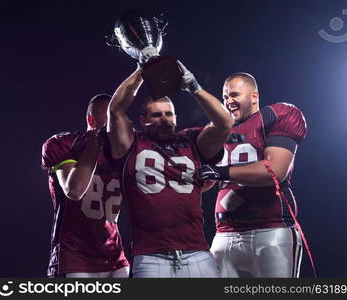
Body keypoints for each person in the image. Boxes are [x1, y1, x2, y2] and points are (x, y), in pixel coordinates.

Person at [106, 48, 234, 278]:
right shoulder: (131, 144)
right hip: (151, 256)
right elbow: (115, 110)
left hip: (197, 252)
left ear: (176, 118)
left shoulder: (191, 140)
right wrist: (141, 70)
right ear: (143, 121)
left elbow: (225, 122)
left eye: (169, 114)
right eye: (157, 115)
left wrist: (194, 87)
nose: (164, 119)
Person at [200, 72, 307, 278]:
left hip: (271, 231)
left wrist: (220, 172)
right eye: (225, 97)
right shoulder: (219, 129)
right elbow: (206, 181)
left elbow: (275, 171)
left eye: (234, 95)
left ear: (254, 97)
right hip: (224, 233)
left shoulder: (275, 116)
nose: (228, 101)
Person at [41, 94, 130, 278]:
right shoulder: (66, 143)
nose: (117, 122)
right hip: (74, 256)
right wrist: (97, 142)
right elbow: (74, 190)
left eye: (118, 116)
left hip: (115, 257)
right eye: (111, 116)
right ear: (92, 120)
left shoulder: (124, 151)